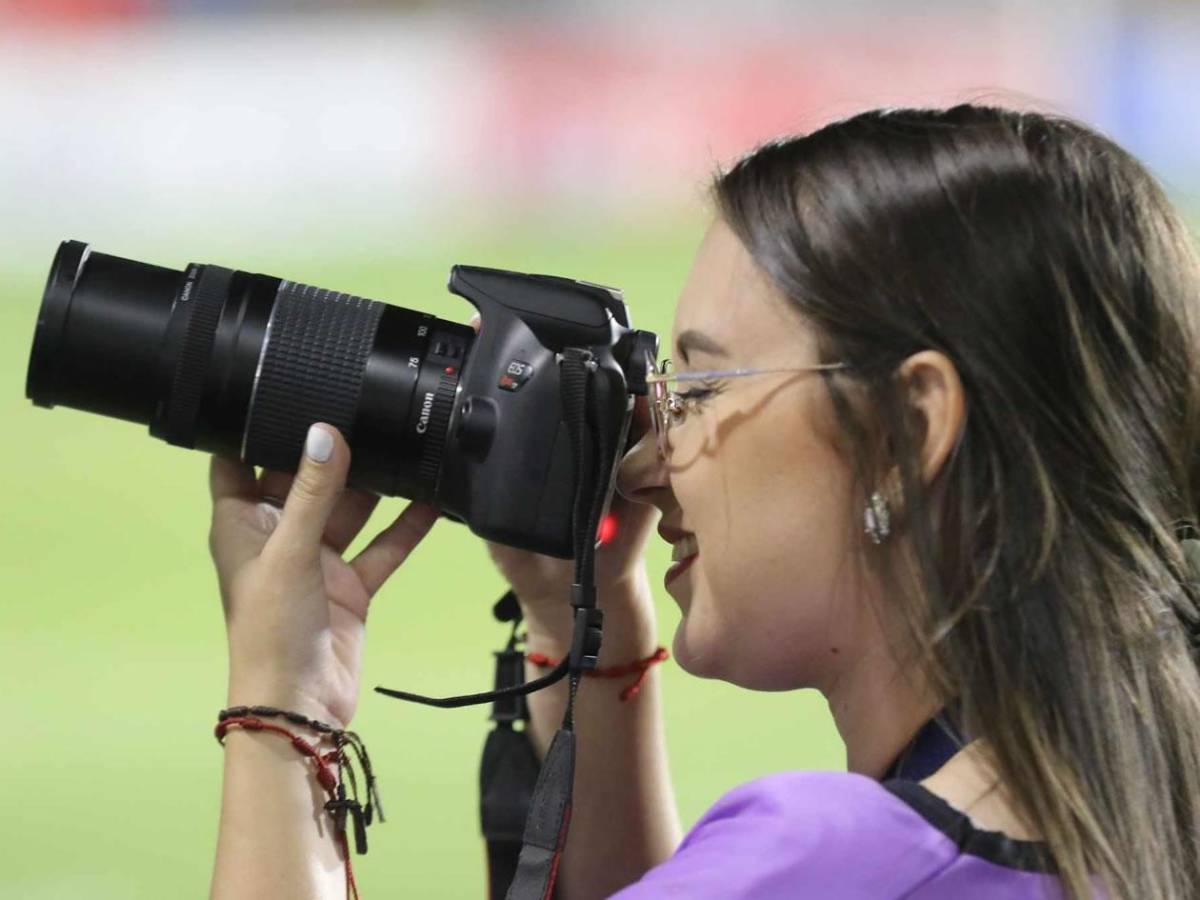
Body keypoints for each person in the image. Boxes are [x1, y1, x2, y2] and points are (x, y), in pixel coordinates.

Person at [205, 104, 1200, 899]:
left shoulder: (838, 862)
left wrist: (281, 708)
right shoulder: (1148, 801)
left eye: (700, 390)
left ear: (911, 428)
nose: (644, 462)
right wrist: (578, 617)